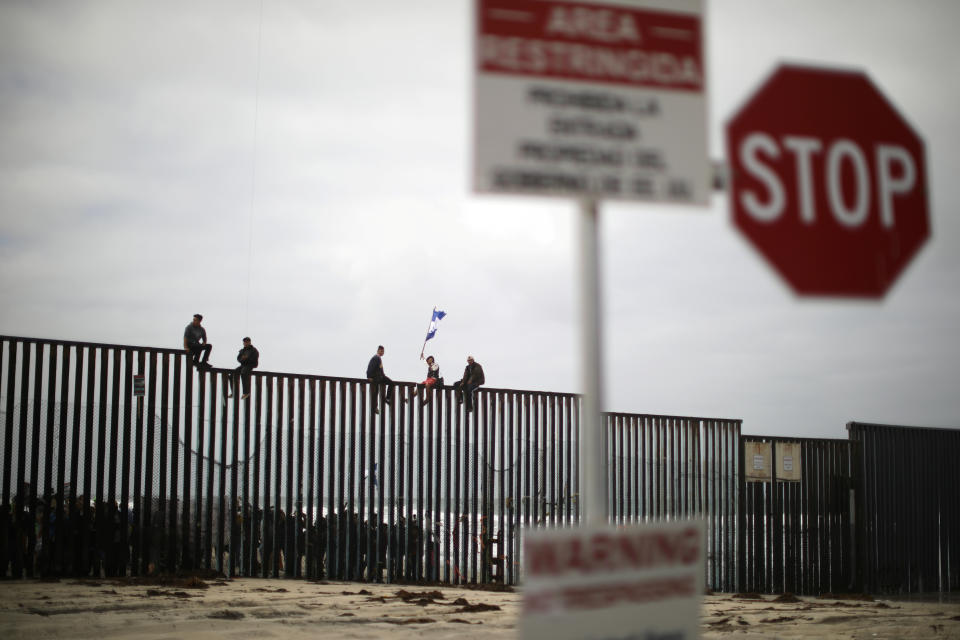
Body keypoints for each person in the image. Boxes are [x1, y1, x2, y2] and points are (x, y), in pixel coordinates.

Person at [366, 345, 393, 413]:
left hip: (380, 377)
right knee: (376, 391)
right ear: (378, 350)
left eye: (383, 351)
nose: (382, 352)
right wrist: (369, 376)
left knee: (391, 383)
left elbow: (380, 369)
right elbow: (370, 367)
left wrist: (383, 375)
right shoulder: (376, 358)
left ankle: (387, 398)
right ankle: (375, 407)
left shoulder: (378, 358)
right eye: (381, 351)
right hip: (376, 378)